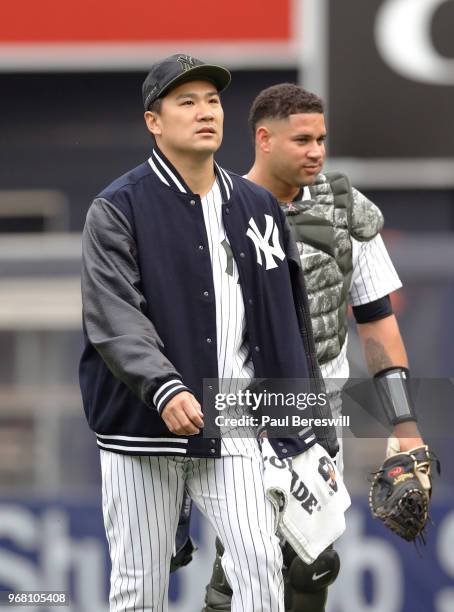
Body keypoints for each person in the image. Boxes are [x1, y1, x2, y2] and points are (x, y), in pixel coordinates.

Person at [79, 59, 338, 612]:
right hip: (143, 428)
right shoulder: (118, 207)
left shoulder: (257, 205)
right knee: (139, 590)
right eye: (187, 102)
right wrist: (164, 386)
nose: (205, 112)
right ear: (154, 121)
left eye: (212, 101)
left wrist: (310, 427)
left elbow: (287, 325)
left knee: (261, 567)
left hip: (235, 417)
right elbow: (113, 314)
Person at [189, 83, 423, 612]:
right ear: (263, 139)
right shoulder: (217, 209)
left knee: (313, 563)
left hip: (320, 413)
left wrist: (406, 430)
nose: (316, 150)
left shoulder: (344, 207)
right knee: (244, 571)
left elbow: (377, 323)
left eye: (321, 138)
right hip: (244, 410)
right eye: (302, 140)